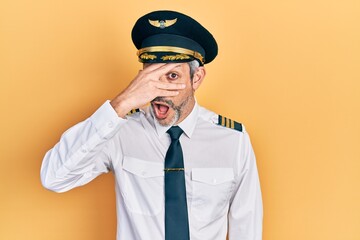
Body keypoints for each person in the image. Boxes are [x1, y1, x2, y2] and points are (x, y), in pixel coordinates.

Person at [41, 10, 263, 240]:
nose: (158, 90)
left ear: (196, 78)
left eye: (172, 77)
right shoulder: (120, 130)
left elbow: (247, 229)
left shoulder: (233, 140)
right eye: (150, 77)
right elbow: (54, 177)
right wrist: (121, 103)